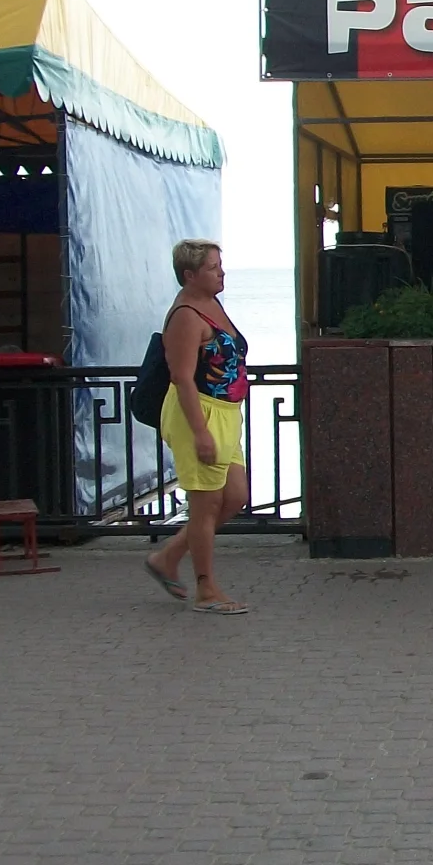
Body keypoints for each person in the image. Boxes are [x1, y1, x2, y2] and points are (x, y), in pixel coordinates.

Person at [143, 239, 252, 611]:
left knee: (234, 496)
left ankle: (167, 557)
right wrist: (200, 432)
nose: (221, 273)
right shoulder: (187, 316)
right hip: (199, 413)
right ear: (189, 275)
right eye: (212, 268)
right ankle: (207, 591)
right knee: (205, 505)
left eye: (220, 265)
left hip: (225, 412)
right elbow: (182, 377)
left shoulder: (212, 304)